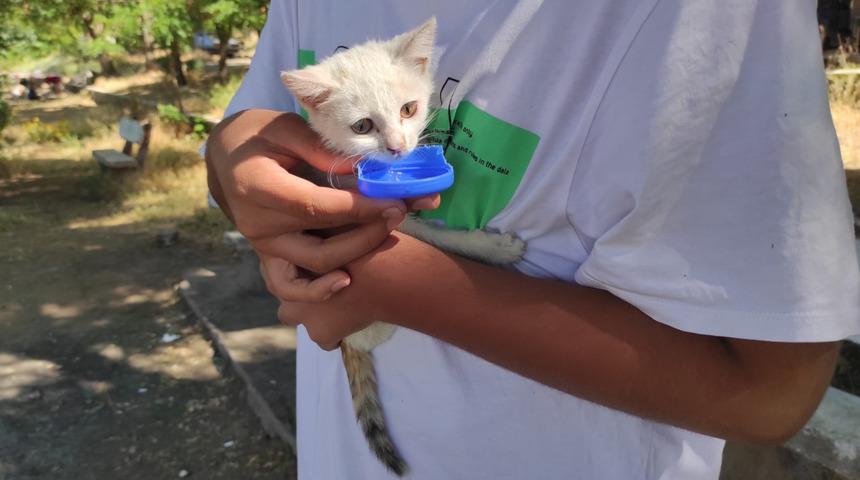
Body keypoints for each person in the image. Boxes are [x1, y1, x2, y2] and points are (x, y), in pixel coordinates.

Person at [205, 1, 860, 478]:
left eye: (408, 114)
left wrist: (390, 281)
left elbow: (771, 394)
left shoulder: (704, 19)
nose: (402, 141)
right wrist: (230, 159)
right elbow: (248, 148)